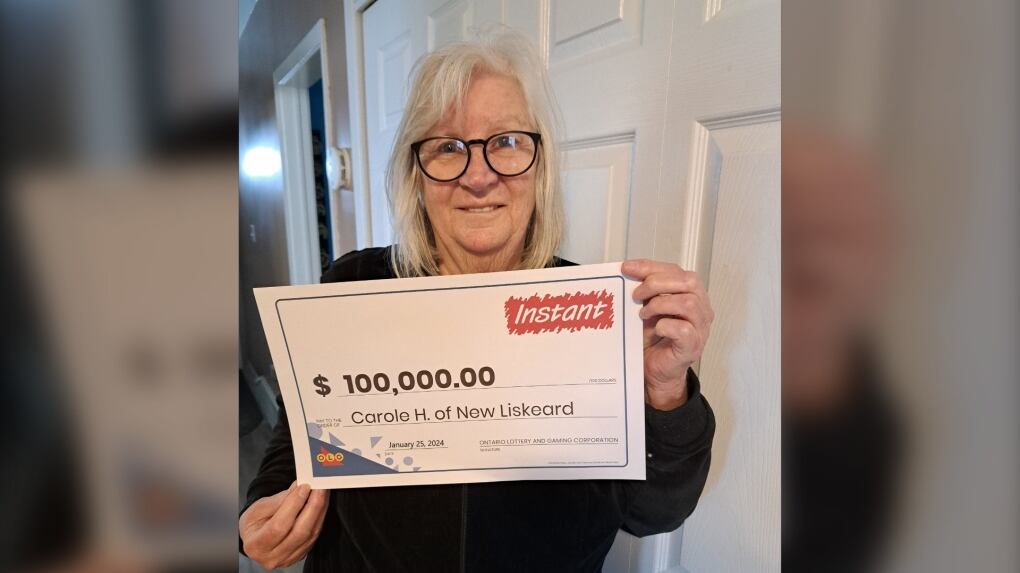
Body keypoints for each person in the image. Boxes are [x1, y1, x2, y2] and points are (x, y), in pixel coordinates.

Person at [240, 32, 715, 573]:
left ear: (540, 166)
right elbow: (302, 437)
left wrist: (665, 393)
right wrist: (264, 502)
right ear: (416, 175)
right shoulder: (353, 286)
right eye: (448, 147)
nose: (479, 175)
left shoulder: (594, 315)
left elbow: (653, 513)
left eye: (506, 141)